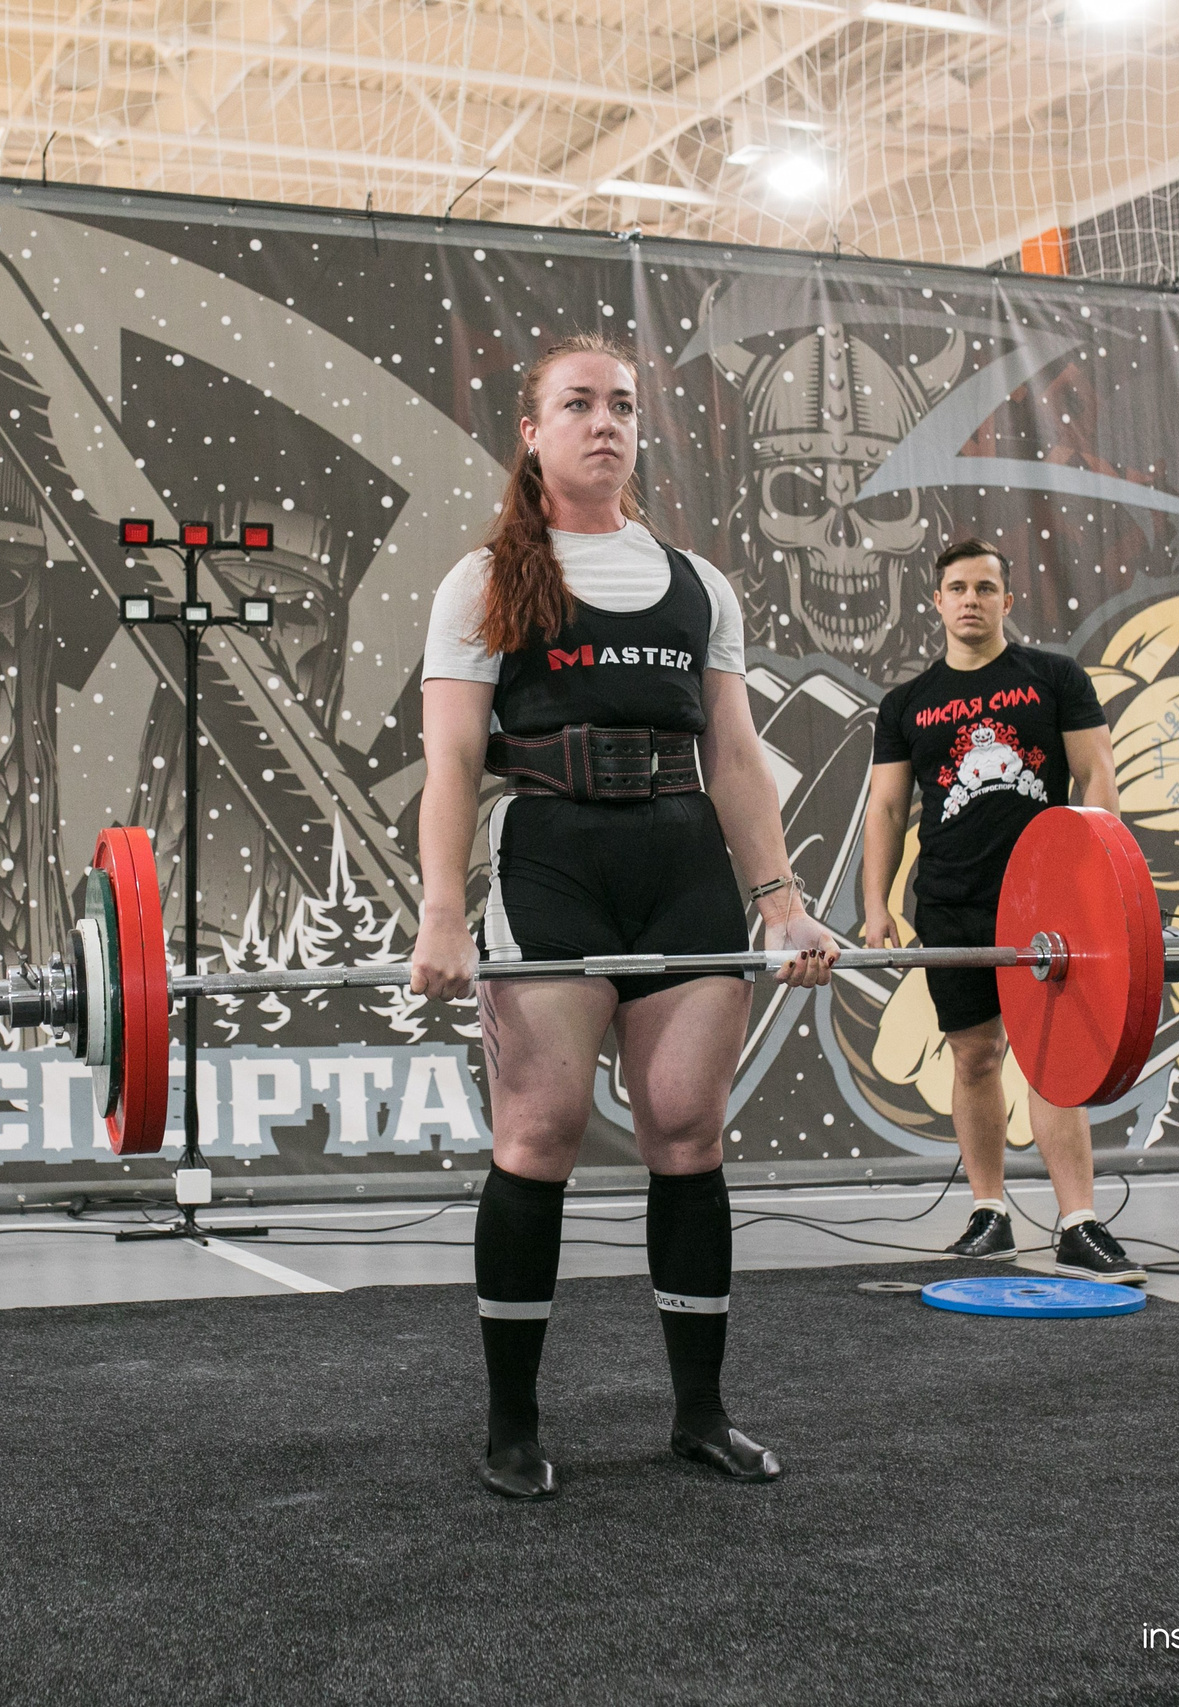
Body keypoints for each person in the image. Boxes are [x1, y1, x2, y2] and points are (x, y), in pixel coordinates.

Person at [411, 334, 839, 1501]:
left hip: (682, 868)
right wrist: (444, 913)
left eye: (623, 408)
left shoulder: (700, 585)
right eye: (578, 405)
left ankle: (698, 1416)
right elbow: (450, 762)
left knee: (686, 1137)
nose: (605, 424)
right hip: (551, 866)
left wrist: (784, 905)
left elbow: (737, 759)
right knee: (537, 1138)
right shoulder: (485, 580)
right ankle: (511, 1428)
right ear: (533, 431)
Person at [859, 539, 1141, 1281]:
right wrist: (874, 907)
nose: (971, 599)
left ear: (1007, 600)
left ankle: (1078, 1221)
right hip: (950, 903)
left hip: (1045, 904)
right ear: (937, 601)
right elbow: (887, 809)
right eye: (957, 587)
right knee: (974, 1055)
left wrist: (1095, 881)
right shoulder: (907, 704)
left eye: (986, 587)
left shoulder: (1054, 678)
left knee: (1053, 1062)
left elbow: (1095, 773)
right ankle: (991, 1214)